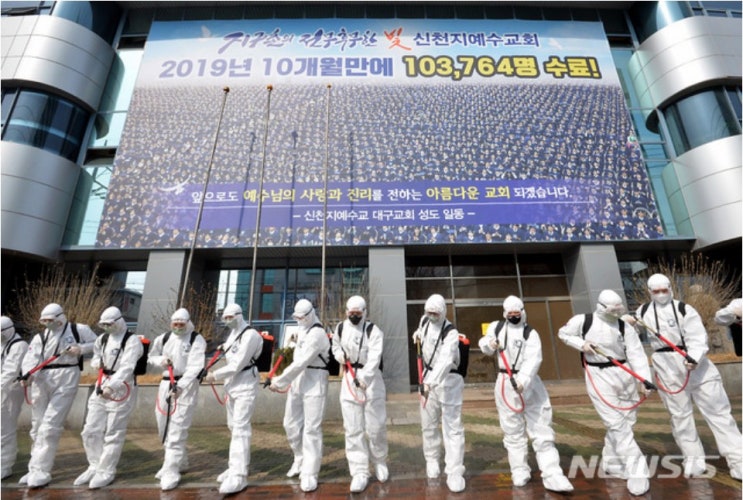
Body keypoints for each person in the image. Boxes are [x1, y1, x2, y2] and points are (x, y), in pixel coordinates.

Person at [628, 274, 742, 480]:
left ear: (670, 289)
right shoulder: (643, 311)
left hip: (695, 365)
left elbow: (698, 337)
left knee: (719, 414)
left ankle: (738, 460)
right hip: (666, 366)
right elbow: (631, 330)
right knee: (679, 416)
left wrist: (694, 357)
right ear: (651, 292)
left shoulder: (684, 309)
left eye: (665, 290)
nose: (662, 294)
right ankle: (693, 459)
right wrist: (627, 321)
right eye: (657, 291)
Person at [558, 290, 651, 496]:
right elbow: (563, 333)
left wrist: (644, 379)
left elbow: (636, 353)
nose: (617, 312)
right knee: (616, 424)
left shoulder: (623, 326)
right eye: (613, 309)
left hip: (624, 373)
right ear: (601, 307)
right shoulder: (583, 321)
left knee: (627, 421)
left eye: (619, 308)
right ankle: (637, 471)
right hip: (598, 374)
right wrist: (582, 344)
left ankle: (612, 463)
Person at [479, 296, 573, 492]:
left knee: (541, 429)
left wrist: (523, 380)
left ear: (522, 311)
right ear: (505, 314)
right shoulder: (497, 328)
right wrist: (491, 344)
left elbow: (533, 359)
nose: (514, 317)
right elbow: (484, 344)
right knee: (512, 431)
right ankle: (519, 470)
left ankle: (552, 473)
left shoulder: (530, 333)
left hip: (529, 385)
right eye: (510, 314)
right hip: (505, 383)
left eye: (517, 313)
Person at [19, 303, 96, 488]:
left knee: (50, 425)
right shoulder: (40, 337)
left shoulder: (79, 330)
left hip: (66, 376)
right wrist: (27, 374)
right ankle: (34, 467)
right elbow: (31, 358)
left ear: (60, 317)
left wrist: (81, 349)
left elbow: (99, 343)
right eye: (44, 321)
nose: (48, 324)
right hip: (42, 378)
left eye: (50, 320)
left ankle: (42, 470)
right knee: (37, 426)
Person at [74, 306, 143, 489]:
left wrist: (112, 387)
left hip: (122, 388)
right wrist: (98, 363)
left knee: (113, 431)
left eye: (109, 324)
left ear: (119, 321)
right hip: (101, 383)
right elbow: (96, 355)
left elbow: (128, 367)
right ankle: (94, 465)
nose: (107, 327)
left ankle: (107, 470)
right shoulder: (103, 338)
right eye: (103, 324)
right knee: (90, 430)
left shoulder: (132, 340)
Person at [268, 299, 330, 493]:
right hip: (298, 381)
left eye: (302, 317)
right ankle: (299, 457)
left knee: (311, 428)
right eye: (296, 317)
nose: (299, 320)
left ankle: (310, 472)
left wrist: (279, 380)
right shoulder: (302, 330)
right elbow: (296, 359)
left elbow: (301, 362)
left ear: (311, 314)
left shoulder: (318, 333)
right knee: (290, 423)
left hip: (315, 379)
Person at [330, 296, 388, 493]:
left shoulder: (374, 331)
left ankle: (380, 461)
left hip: (371, 381)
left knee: (376, 426)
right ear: (346, 311)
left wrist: (366, 378)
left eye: (358, 313)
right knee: (353, 429)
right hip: (349, 379)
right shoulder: (340, 328)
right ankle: (359, 472)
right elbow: (335, 345)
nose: (354, 316)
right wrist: (338, 355)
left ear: (365, 312)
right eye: (351, 313)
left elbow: (374, 357)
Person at [204, 303, 263, 495]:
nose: (228, 321)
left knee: (240, 429)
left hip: (245, 385)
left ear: (240, 315)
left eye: (231, 317)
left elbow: (238, 363)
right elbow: (231, 354)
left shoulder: (251, 335)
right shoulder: (232, 335)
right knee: (232, 426)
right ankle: (234, 465)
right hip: (232, 386)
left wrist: (215, 375)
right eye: (225, 318)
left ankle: (239, 475)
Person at [411, 294, 466, 493]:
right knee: (428, 423)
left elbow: (444, 361)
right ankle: (432, 460)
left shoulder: (451, 333)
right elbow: (421, 331)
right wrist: (417, 334)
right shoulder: (424, 320)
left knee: (452, 427)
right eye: (429, 312)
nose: (431, 316)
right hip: (427, 377)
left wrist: (430, 383)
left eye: (435, 313)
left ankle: (454, 470)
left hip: (448, 380)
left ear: (443, 312)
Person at [147, 308, 206, 491]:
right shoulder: (163, 338)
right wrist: (161, 361)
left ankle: (171, 470)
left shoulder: (196, 339)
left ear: (188, 323)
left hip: (185, 386)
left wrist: (181, 387)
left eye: (181, 324)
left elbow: (196, 366)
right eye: (175, 324)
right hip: (166, 384)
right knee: (163, 425)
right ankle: (178, 461)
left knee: (177, 428)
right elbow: (151, 356)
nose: (178, 327)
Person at [1, 316, 28, 480]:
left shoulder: (19, 346)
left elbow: (10, 371)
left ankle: (5, 465)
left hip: (10, 391)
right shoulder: (2, 344)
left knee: (5, 429)